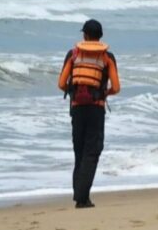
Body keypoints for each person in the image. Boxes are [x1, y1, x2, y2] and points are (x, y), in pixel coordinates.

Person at [58, 19, 120, 208]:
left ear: (84, 35)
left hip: (77, 108)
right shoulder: (107, 57)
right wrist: (104, 93)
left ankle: (81, 195)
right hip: (96, 108)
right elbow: (116, 87)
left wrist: (75, 92)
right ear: (100, 37)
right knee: (92, 151)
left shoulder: (73, 54)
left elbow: (61, 84)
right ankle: (82, 197)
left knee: (79, 151)